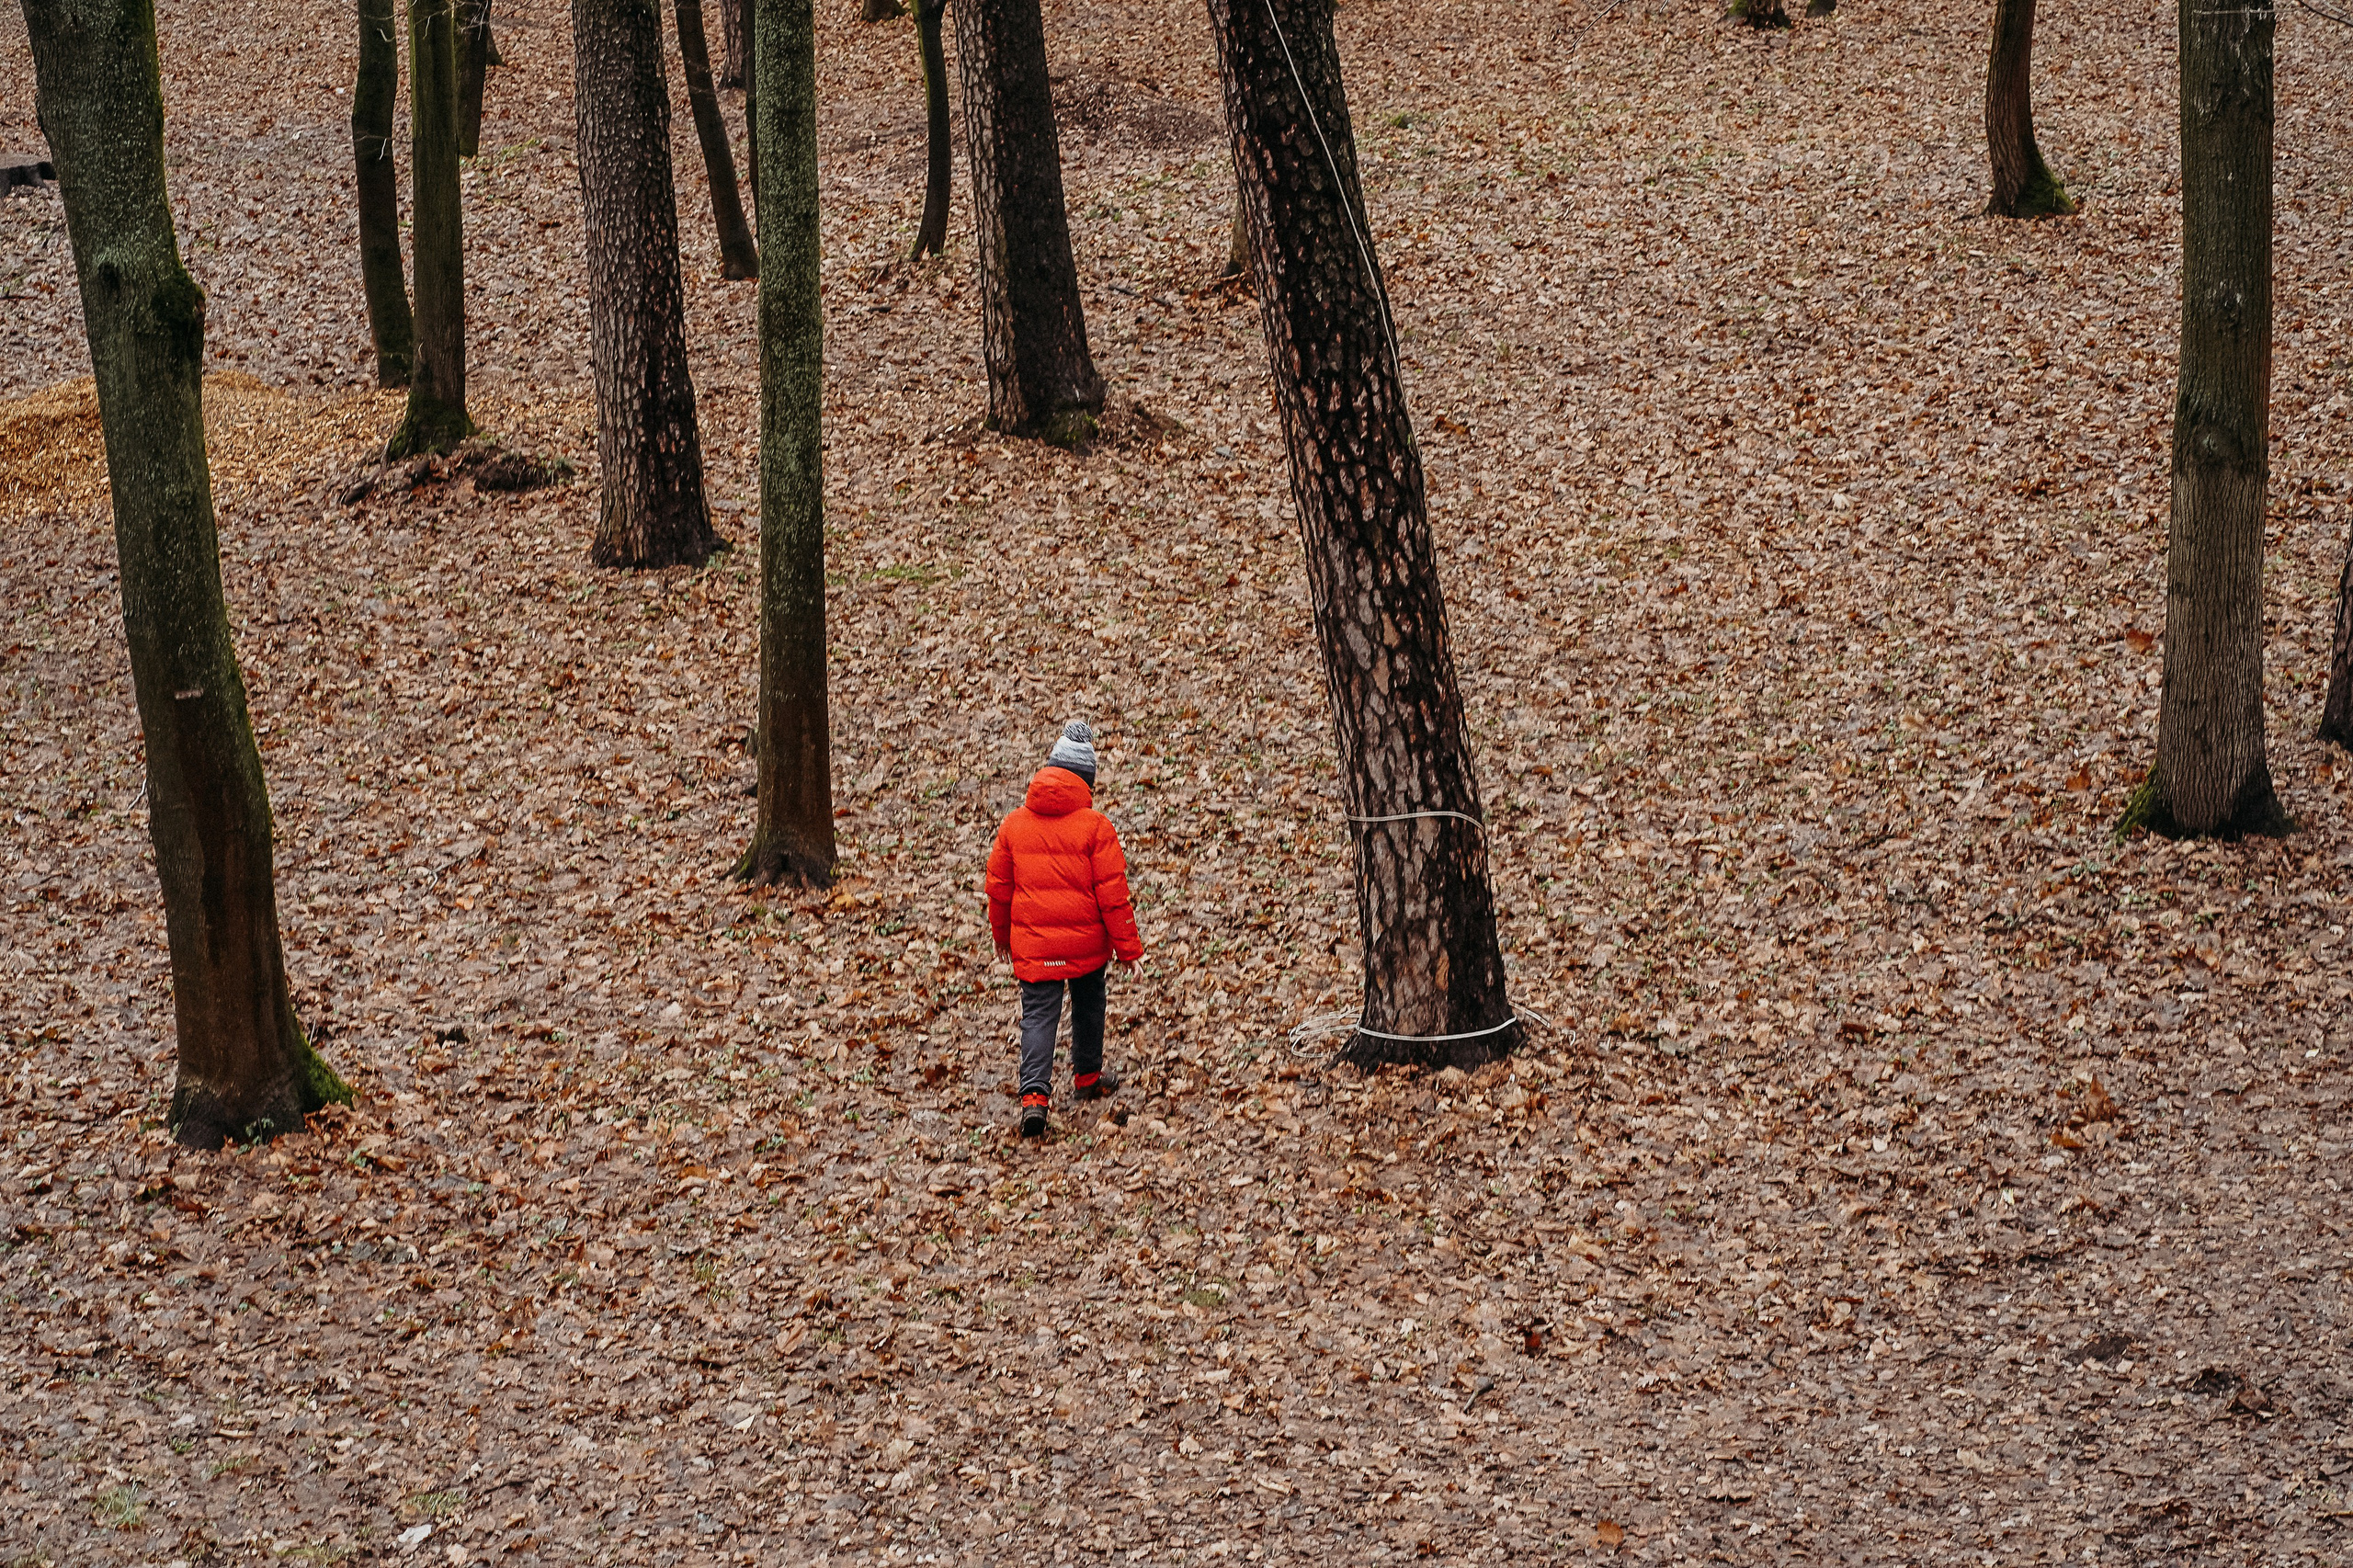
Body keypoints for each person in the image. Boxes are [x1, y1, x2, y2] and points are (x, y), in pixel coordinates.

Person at [986, 720, 1143, 1138]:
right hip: (1087, 944)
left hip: (1035, 944)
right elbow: (1113, 896)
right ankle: (1088, 1075)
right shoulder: (1096, 827)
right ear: (1087, 780)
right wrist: (1129, 950)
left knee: (1038, 1015)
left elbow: (999, 890)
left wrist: (1002, 936)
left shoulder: (1014, 824)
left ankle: (1034, 1097)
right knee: (1090, 1001)